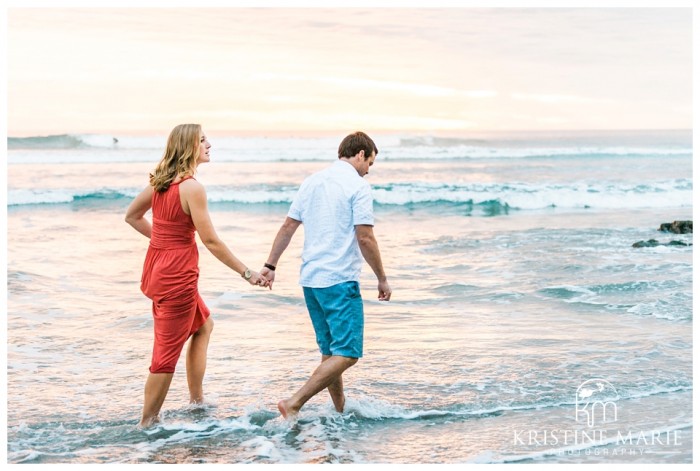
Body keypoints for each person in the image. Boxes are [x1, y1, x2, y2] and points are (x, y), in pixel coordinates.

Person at [125, 124, 268, 427]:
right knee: (165, 354)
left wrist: (162, 243)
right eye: (203, 140)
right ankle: (147, 423)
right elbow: (211, 240)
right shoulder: (191, 188)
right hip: (177, 277)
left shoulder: (160, 183)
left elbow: (132, 216)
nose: (209, 144)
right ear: (189, 147)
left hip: (160, 268)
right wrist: (248, 273)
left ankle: (196, 401)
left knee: (203, 326)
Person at [260, 131, 392, 419]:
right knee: (348, 353)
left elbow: (287, 226)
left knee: (332, 351)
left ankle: (339, 409)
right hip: (340, 280)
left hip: (311, 280)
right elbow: (365, 237)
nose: (369, 170)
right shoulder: (358, 187)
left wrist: (270, 266)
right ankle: (294, 402)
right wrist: (381, 277)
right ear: (360, 154)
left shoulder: (312, 181)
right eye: (369, 162)